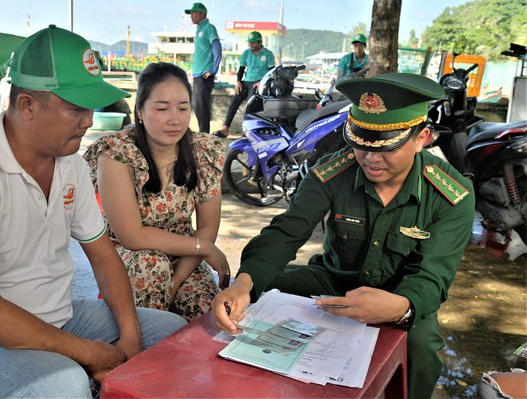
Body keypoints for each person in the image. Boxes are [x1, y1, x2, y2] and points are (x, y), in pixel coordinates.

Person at [0, 25, 187, 398]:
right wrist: (89, 354)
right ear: (26, 105)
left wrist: (130, 337)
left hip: (58, 318)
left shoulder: (69, 163)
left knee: (172, 335)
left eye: (90, 107)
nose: (89, 120)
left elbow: (105, 258)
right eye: (76, 108)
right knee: (62, 382)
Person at [212, 72, 475, 399]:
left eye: (386, 147)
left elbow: (433, 274)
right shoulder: (332, 171)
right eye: (362, 144)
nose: (370, 158)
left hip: (401, 293)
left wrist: (401, 306)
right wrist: (244, 283)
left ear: (421, 137)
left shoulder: (452, 194)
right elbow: (286, 231)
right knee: (265, 288)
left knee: (421, 349)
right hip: (334, 280)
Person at [83, 62, 230, 321]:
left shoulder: (202, 152)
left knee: (211, 317)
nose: (175, 119)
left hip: (186, 256)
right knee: (151, 266)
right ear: (140, 111)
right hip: (133, 259)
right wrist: (203, 247)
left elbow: (207, 227)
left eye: (183, 108)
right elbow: (132, 236)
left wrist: (175, 282)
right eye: (162, 108)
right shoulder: (118, 153)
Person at [213, 31, 275, 138]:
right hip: (246, 82)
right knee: (234, 102)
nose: (250, 45)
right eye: (249, 42)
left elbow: (271, 72)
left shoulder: (268, 54)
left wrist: (262, 82)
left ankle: (247, 131)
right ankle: (225, 128)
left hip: (259, 84)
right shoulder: (247, 53)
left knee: (251, 106)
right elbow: (241, 69)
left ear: (260, 42)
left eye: (253, 43)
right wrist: (238, 81)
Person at [185, 2, 222, 134]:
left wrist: (213, 70)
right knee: (196, 106)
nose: (191, 16)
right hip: (197, 74)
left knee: (202, 106)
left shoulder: (209, 28)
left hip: (204, 75)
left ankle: (205, 134)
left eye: (194, 13)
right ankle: (203, 133)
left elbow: (217, 48)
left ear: (202, 13)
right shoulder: (199, 30)